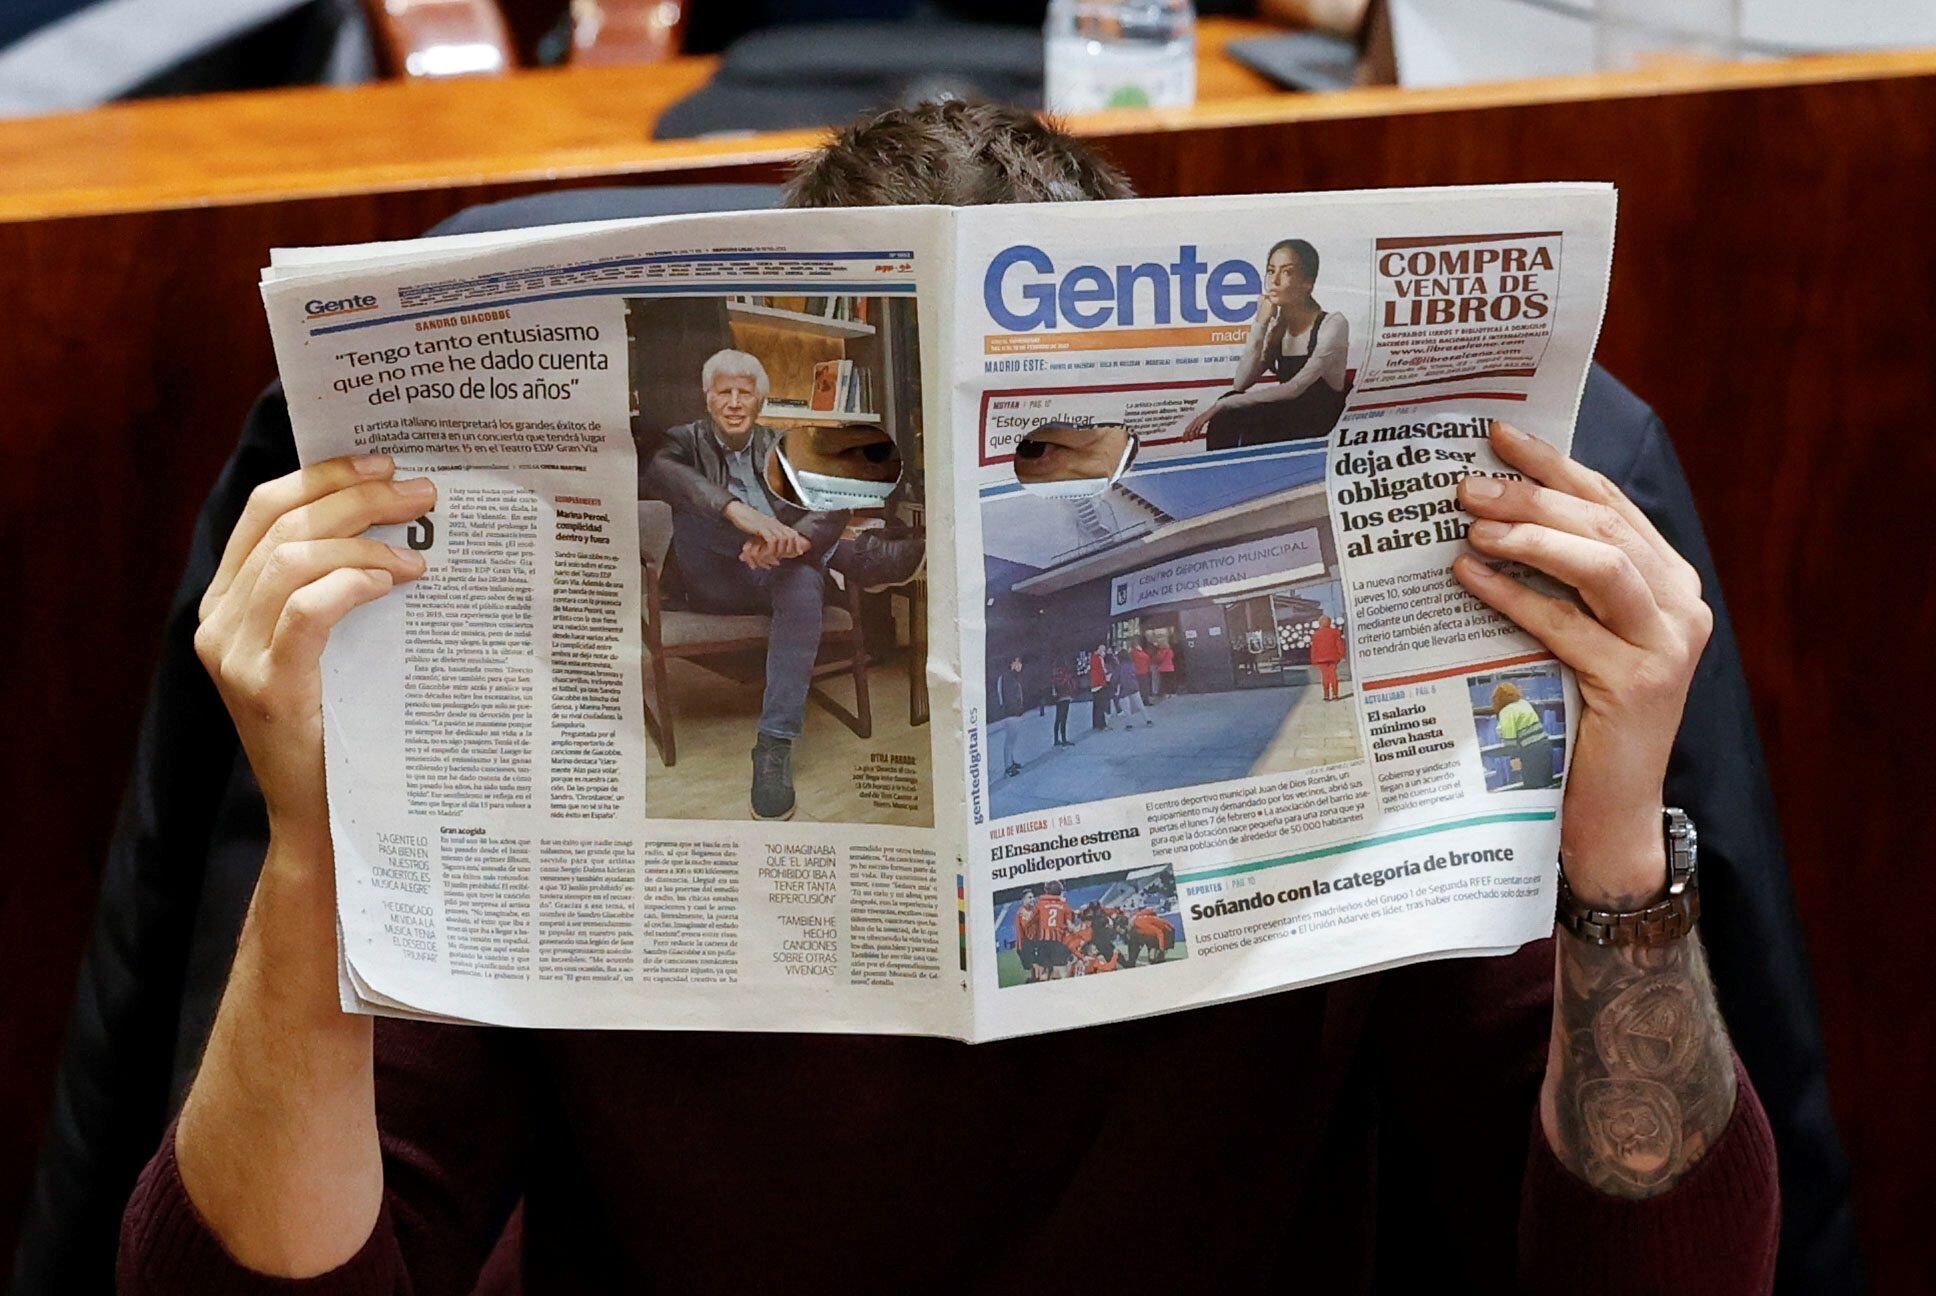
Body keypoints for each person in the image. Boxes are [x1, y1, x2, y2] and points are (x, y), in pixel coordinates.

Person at [120, 100, 1784, 1294]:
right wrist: (318, 839)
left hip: (830, 587)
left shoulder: (1326, 703)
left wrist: (1617, 850)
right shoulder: (611, 661)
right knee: (790, 611)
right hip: (768, 589)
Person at [643, 348, 924, 820]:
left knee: (803, 575)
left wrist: (786, 542)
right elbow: (662, 473)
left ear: (760, 401)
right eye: (723, 392)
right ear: (708, 399)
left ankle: (773, 745)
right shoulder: (682, 442)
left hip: (776, 569)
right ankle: (863, 559)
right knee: (700, 510)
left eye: (745, 392)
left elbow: (833, 500)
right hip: (710, 578)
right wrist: (743, 516)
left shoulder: (783, 445)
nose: (734, 401)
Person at [1176, 237, 1351, 449]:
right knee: (1230, 403)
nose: (1274, 281)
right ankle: (1221, 471)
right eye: (1270, 271)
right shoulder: (1279, 328)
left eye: (1287, 272)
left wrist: (1222, 405)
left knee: (1231, 407)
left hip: (1320, 419)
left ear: (1308, 282)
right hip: (1290, 414)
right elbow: (1240, 383)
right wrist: (1261, 321)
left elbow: (1295, 388)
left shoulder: (1333, 323)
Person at [1493, 679, 1559, 790]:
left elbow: (1510, 741)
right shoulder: (1524, 703)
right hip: (1545, 746)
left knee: (1533, 788)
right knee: (1547, 785)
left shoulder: (1506, 711)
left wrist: (1514, 759)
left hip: (1530, 752)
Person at [994, 654, 1027, 778]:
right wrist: (1015, 709)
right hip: (1010, 714)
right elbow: (1008, 697)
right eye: (1017, 662)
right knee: (1009, 741)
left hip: (1014, 713)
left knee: (1011, 741)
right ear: (1011, 664)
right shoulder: (1007, 678)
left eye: (1020, 663)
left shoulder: (1012, 677)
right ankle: (1008, 767)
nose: (1020, 665)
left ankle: (1011, 762)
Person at [1309, 613, 1347, 701]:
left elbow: (1314, 648)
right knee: (1333, 675)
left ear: (1319, 623)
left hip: (1321, 659)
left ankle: (1326, 695)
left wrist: (1313, 659)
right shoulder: (1335, 632)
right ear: (1329, 622)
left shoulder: (1316, 634)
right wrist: (1342, 655)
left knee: (1325, 676)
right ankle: (1335, 694)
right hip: (1333, 658)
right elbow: (1340, 645)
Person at [1051, 658, 1077, 746]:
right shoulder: (1060, 674)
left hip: (1064, 697)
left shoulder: (1059, 673)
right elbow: (1061, 683)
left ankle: (1059, 739)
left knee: (1060, 719)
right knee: (1061, 719)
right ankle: (1062, 739)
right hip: (1062, 697)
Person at [1088, 641, 1112, 731]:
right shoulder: (1099, 658)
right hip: (1100, 684)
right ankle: (1102, 725)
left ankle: (1096, 724)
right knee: (1101, 705)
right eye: (1103, 650)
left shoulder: (1093, 658)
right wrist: (1107, 677)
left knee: (1096, 705)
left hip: (1094, 684)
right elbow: (1102, 671)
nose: (1104, 652)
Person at [1131, 638, 1153, 705]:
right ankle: (1145, 700)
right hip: (1141, 671)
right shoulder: (1135, 652)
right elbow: (1146, 657)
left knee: (1143, 687)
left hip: (1140, 671)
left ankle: (1143, 700)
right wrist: (1141, 651)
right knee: (1144, 687)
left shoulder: (1133, 653)